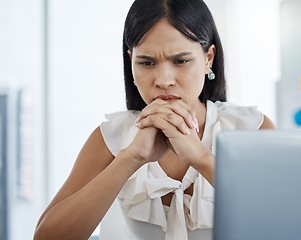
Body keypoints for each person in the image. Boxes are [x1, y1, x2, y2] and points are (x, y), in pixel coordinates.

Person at [34, 0, 275, 239]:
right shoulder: (112, 137)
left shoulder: (251, 130)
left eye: (181, 61)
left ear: (208, 58)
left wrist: (202, 159)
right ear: (131, 61)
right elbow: (46, 237)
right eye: (146, 63)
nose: (163, 80)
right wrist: (130, 159)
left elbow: (286, 223)